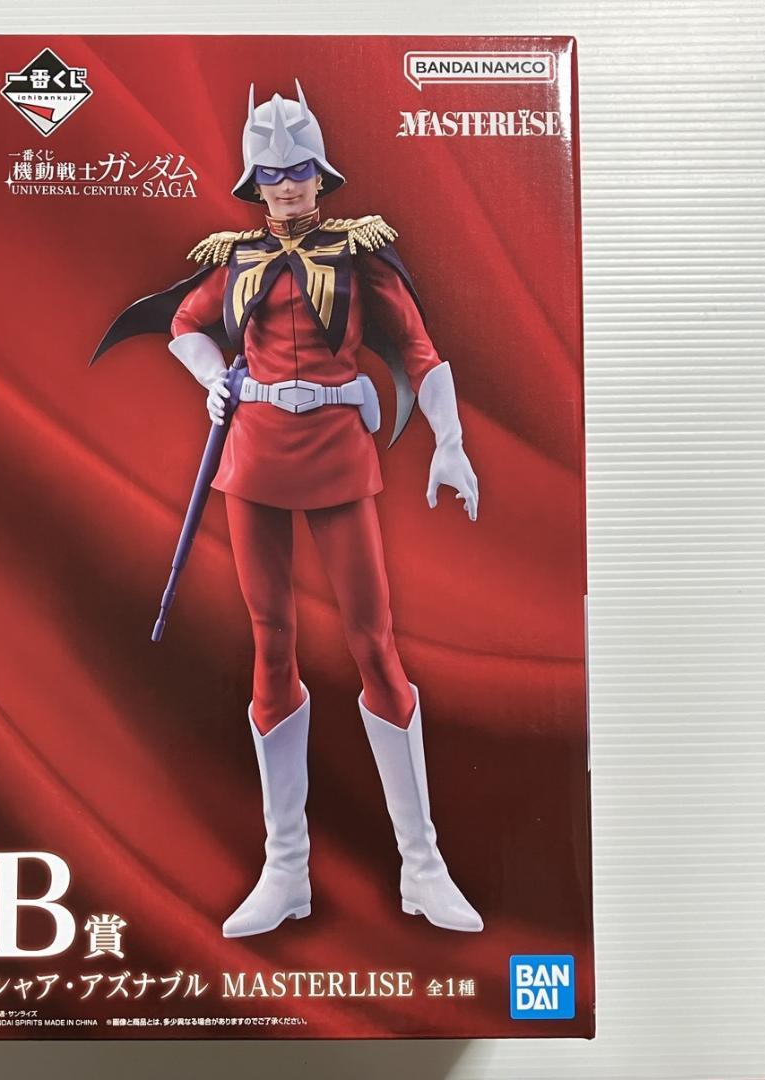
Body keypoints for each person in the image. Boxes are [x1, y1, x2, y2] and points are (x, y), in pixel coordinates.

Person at [95, 81, 482, 939]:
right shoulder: (234, 260)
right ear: (254, 182)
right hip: (256, 457)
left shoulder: (360, 254)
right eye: (271, 174)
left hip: (338, 454)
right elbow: (185, 325)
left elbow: (421, 351)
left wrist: (449, 442)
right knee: (272, 643)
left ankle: (422, 866)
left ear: (321, 173)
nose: (287, 186)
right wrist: (210, 378)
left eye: (299, 169)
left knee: (374, 641)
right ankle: (286, 869)